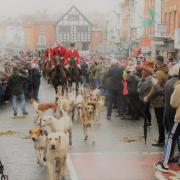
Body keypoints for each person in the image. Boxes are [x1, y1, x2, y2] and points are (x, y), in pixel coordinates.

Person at [154, 68, 180, 172]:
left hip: (179, 118)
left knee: (170, 137)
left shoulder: (178, 86)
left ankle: (164, 163)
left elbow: (173, 103)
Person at [144, 56, 169, 147]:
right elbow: (152, 71)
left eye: (155, 61)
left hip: (159, 101)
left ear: (157, 62)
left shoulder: (159, 73)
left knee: (160, 122)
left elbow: (155, 87)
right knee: (163, 121)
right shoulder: (164, 70)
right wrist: (143, 66)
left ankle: (161, 140)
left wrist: (148, 97)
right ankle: (164, 138)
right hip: (164, 100)